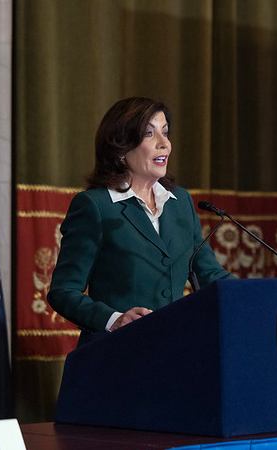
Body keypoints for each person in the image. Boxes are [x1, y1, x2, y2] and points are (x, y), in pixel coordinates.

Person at [48, 97, 233, 346]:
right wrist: (113, 320)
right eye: (149, 133)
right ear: (121, 149)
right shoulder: (96, 206)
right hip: (117, 353)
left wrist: (263, 296)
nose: (164, 143)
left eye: (165, 132)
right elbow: (63, 292)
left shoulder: (180, 203)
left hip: (175, 352)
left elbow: (210, 275)